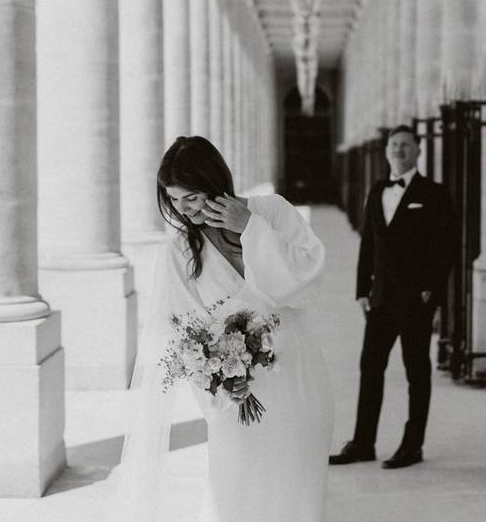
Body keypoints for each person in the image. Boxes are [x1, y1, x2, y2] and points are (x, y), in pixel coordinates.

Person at [115, 136, 333, 521]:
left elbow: (307, 276)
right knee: (235, 486)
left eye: (193, 197)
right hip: (235, 391)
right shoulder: (181, 249)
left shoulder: (272, 211)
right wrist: (219, 380)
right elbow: (184, 327)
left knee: (299, 481)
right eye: (176, 201)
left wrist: (251, 228)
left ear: (215, 181)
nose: (186, 211)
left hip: (298, 375)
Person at [329, 124, 458, 470]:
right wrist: (361, 289)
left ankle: (412, 445)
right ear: (386, 152)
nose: (399, 150)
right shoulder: (377, 189)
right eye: (394, 145)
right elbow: (369, 244)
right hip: (381, 299)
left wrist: (432, 291)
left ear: (418, 151)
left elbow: (446, 247)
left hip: (416, 299)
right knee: (370, 368)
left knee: (417, 371)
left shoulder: (433, 192)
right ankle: (362, 442)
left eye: (405, 145)